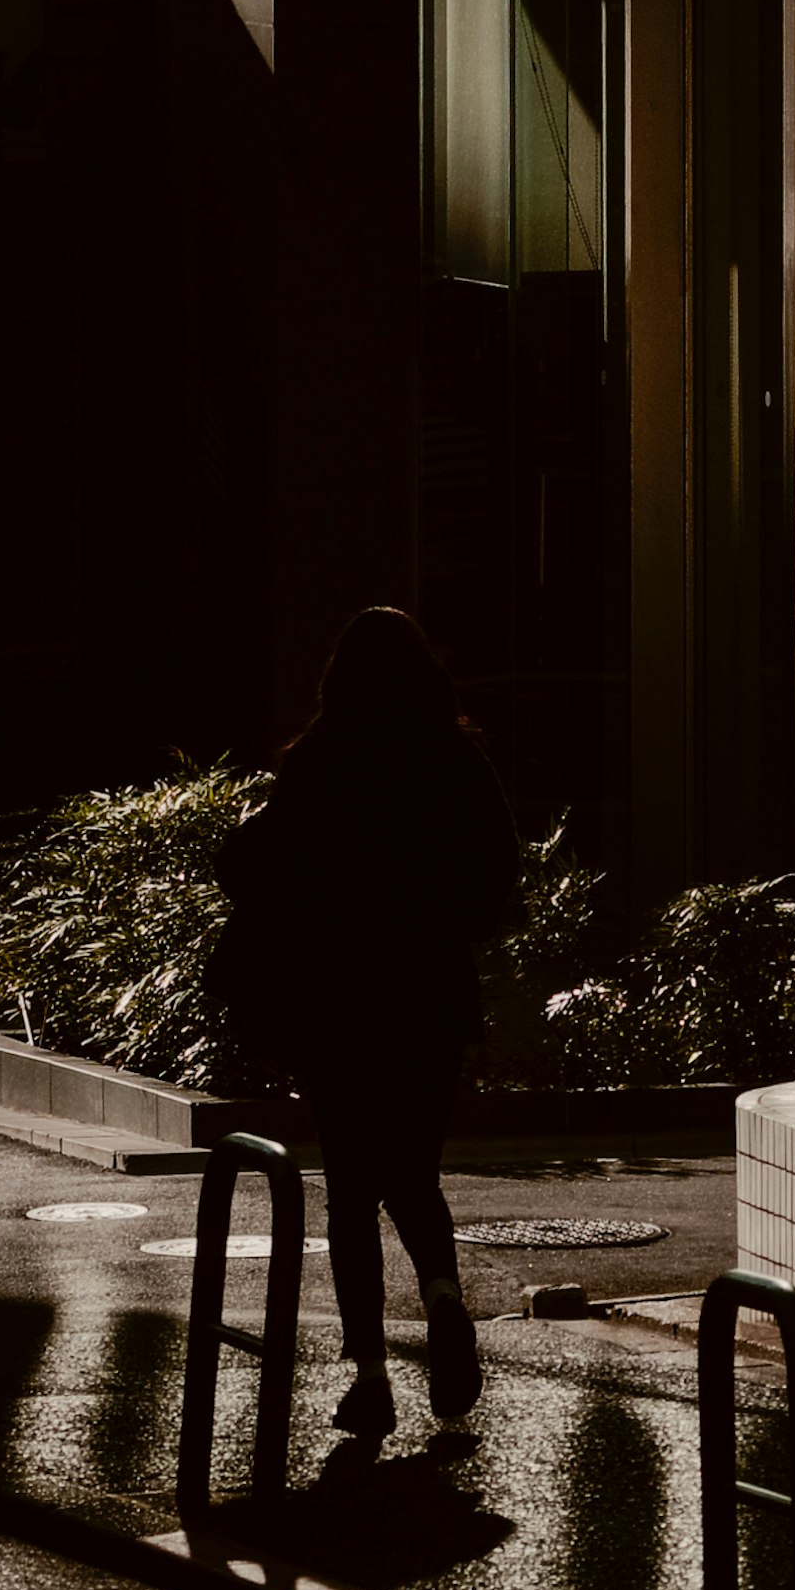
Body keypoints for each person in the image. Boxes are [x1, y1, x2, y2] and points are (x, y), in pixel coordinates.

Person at [218, 606, 520, 1443]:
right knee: (414, 1173)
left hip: (339, 1000)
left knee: (352, 1188)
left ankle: (374, 1377)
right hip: (429, 995)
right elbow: (501, 865)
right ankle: (444, 1301)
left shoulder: (322, 761)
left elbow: (258, 862)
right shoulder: (456, 760)